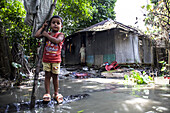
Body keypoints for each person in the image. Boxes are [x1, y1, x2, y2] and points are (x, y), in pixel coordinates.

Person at [35, 15, 64, 103]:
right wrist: (43, 27)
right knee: (47, 76)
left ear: (61, 26)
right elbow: (36, 35)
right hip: (46, 59)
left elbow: (56, 41)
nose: (55, 24)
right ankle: (47, 93)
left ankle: (56, 93)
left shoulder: (61, 35)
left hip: (56, 60)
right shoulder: (46, 34)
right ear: (50, 25)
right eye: (53, 23)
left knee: (55, 77)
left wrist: (46, 35)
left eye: (58, 23)